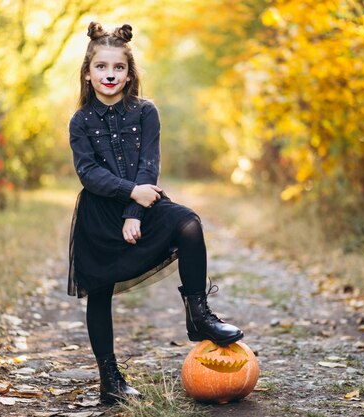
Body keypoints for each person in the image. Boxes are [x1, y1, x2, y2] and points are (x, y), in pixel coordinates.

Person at [67, 21, 244, 404]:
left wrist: (135, 211)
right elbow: (89, 173)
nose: (109, 74)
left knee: (189, 224)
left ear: (129, 74)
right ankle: (109, 380)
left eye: (118, 68)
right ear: (87, 73)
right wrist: (130, 192)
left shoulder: (146, 112)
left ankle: (199, 313)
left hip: (144, 205)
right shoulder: (80, 121)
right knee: (100, 293)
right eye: (101, 67)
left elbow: (149, 165)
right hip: (99, 215)